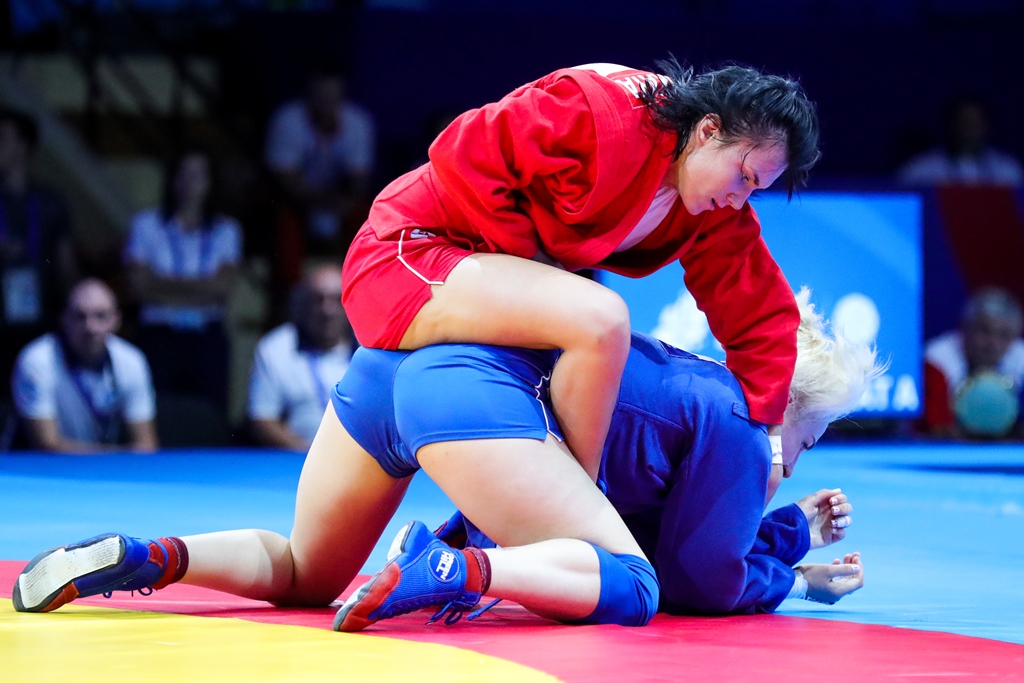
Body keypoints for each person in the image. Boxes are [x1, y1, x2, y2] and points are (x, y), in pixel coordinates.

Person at [11, 290, 876, 627]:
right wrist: (790, 557)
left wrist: (782, 535)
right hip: (467, 390)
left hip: (387, 367)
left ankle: (152, 556)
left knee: (307, 571)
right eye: (808, 440)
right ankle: (452, 567)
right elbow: (699, 580)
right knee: (633, 588)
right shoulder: (740, 420)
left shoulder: (687, 386)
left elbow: (616, 513)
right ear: (788, 411)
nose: (796, 462)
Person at [342, 58, 820, 484]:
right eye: (743, 176)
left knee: (308, 570)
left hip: (470, 291)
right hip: (407, 251)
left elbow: (760, 313)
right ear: (709, 130)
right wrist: (534, 262)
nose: (739, 198)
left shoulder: (712, 204)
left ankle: (477, 536)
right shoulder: (602, 113)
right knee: (599, 319)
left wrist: (770, 441)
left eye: (755, 190)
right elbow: (462, 147)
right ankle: (578, 499)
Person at [123, 149, 241, 413]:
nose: (190, 182)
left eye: (198, 175)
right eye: (184, 174)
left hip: (206, 335)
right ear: (172, 180)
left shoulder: (226, 229)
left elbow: (223, 288)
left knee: (209, 414)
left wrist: (161, 284)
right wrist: (203, 287)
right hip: (159, 334)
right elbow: (138, 287)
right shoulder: (146, 224)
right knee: (157, 411)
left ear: (210, 182)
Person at [10, 279, 157, 453]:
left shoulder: (132, 361)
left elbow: (146, 446)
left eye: (100, 316)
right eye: (80, 316)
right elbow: (46, 445)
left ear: (116, 320)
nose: (90, 327)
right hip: (30, 466)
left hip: (99, 466)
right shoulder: (37, 360)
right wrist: (118, 455)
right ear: (64, 319)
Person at [0, 108, 76, 397]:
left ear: (23, 146)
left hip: (41, 319)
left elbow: (65, 263)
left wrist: (70, 310)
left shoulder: (50, 201)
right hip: (1, 318)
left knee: (39, 396)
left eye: (3, 138)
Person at [264, 63, 376, 247]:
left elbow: (359, 180)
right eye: (320, 96)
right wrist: (319, 202)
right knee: (281, 216)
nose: (326, 103)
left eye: (332, 96)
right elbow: (284, 179)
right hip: (298, 201)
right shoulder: (287, 119)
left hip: (339, 201)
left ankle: (359, 265)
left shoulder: (358, 123)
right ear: (309, 93)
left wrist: (343, 203)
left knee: (367, 215)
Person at [248, 264, 355, 450]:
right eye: (318, 299)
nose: (327, 310)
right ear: (302, 304)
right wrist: (309, 454)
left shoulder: (370, 347)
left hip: (365, 461)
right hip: (297, 460)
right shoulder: (275, 348)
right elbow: (262, 418)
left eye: (337, 299)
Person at [922, 287, 1024, 438]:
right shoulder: (935, 361)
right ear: (965, 327)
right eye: (984, 330)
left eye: (1004, 334)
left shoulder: (1020, 358)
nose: (993, 343)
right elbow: (938, 431)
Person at [898, 97, 1024, 187]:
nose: (970, 129)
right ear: (951, 124)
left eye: (976, 123)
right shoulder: (922, 169)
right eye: (964, 122)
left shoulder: (1008, 170)